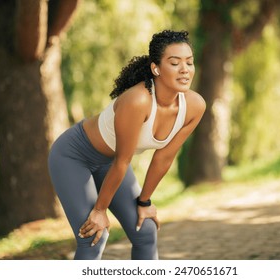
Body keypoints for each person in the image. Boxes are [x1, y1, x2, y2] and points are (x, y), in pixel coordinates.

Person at [48, 30, 206, 260]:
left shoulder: (194, 106)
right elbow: (123, 160)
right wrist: (100, 211)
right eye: (175, 63)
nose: (185, 69)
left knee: (146, 230)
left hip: (111, 164)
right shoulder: (138, 100)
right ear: (156, 68)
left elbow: (164, 158)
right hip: (73, 156)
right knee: (93, 236)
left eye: (189, 62)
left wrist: (145, 202)